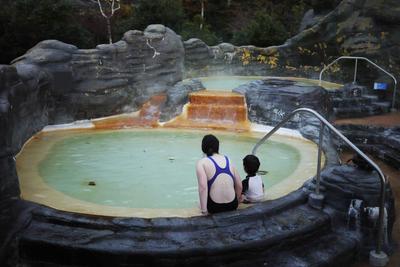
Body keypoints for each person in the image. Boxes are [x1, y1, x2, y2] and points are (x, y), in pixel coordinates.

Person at [196, 134, 242, 215]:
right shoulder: (229, 160)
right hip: (232, 205)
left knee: (198, 204)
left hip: (214, 207)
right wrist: (237, 202)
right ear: (217, 147)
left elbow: (203, 187)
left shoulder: (202, 162)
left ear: (203, 148)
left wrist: (204, 211)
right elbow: (239, 185)